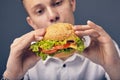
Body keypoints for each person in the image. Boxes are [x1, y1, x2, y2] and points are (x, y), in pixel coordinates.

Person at [2, 0, 120, 80]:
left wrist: (114, 67)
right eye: (39, 11)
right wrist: (11, 76)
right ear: (31, 22)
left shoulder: (103, 48)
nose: (53, 15)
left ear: (71, 3)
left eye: (57, 3)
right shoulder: (25, 55)